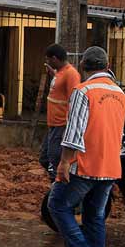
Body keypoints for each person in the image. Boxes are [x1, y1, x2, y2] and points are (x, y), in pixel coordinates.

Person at [49, 46, 125, 247]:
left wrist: (64, 162)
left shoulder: (83, 91)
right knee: (94, 216)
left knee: (58, 205)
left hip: (85, 165)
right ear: (108, 66)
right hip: (110, 166)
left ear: (83, 66)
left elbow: (74, 132)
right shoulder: (121, 95)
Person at [40, 43, 81, 180]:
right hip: (53, 125)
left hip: (61, 125)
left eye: (48, 59)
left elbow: (74, 100)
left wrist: (68, 127)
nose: (47, 62)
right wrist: (53, 74)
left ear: (55, 58)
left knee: (54, 159)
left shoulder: (71, 74)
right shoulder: (60, 72)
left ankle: (58, 184)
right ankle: (57, 182)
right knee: (45, 158)